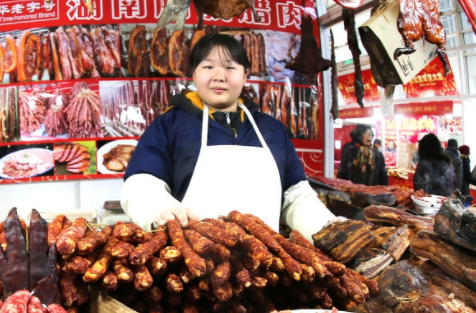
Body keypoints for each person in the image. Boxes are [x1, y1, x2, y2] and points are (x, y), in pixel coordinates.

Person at [121, 34, 336, 241]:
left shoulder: (271, 129)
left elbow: (295, 195)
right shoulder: (169, 124)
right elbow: (141, 183)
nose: (219, 76)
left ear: (245, 76)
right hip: (192, 266)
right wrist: (162, 210)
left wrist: (329, 229)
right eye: (208, 66)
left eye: (230, 67)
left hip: (267, 267)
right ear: (194, 74)